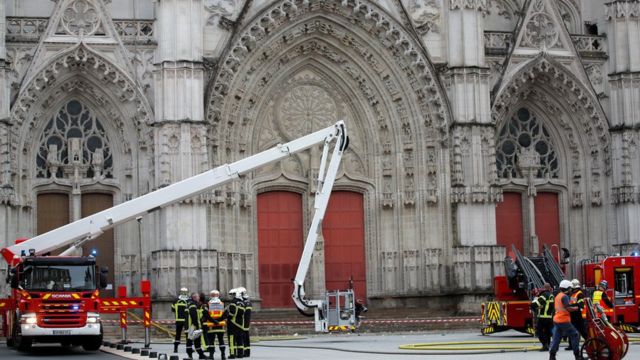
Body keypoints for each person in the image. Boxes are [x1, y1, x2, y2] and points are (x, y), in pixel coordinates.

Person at [549, 279, 581, 360]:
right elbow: (568, 308)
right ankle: (577, 356)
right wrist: (578, 308)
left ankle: (552, 356)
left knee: (557, 337)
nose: (571, 289)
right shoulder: (564, 296)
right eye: (570, 288)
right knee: (575, 335)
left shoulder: (558, 295)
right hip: (564, 320)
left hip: (556, 320)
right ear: (567, 288)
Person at [531, 283, 554, 351]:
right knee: (547, 332)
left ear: (544, 288)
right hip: (549, 317)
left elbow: (535, 304)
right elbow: (546, 305)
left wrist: (534, 300)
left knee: (539, 332)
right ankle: (548, 344)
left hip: (543, 317)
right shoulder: (551, 295)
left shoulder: (544, 295)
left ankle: (544, 345)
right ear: (549, 288)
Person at [205, 290, 227, 360]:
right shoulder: (222, 304)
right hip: (220, 325)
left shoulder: (208, 304)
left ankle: (211, 356)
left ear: (211, 295)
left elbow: (206, 315)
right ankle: (223, 356)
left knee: (211, 341)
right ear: (218, 295)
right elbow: (225, 315)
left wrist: (214, 321)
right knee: (221, 340)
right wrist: (218, 321)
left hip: (211, 326)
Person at [186, 292, 207, 359]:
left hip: (192, 326)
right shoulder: (192, 305)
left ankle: (201, 355)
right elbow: (194, 316)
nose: (199, 298)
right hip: (192, 326)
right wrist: (197, 326)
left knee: (196, 341)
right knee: (190, 342)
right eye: (198, 297)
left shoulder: (194, 304)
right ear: (194, 297)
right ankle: (190, 356)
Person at [226, 288, 245, 359]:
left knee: (232, 340)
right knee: (240, 339)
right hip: (240, 324)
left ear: (235, 295)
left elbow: (232, 313)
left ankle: (232, 354)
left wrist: (228, 317)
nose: (231, 296)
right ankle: (240, 354)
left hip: (232, 324)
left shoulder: (233, 303)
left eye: (232, 294)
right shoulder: (242, 303)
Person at [171, 287, 189, 353]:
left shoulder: (176, 300)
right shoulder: (188, 300)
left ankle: (175, 349)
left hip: (178, 320)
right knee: (187, 335)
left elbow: (172, 309)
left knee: (178, 334)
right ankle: (188, 348)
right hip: (186, 320)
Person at [240, 288, 252, 358]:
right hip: (247, 323)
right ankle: (248, 352)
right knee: (247, 338)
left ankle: (245, 352)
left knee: (244, 338)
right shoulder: (249, 302)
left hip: (243, 322)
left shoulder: (243, 303)